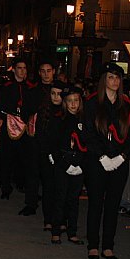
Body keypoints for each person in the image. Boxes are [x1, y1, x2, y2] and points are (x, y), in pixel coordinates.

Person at [83, 62, 130, 259]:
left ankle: (108, 245)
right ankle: (92, 244)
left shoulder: (128, 106)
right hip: (97, 161)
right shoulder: (91, 103)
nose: (114, 81)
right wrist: (102, 157)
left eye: (117, 78)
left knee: (112, 205)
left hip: (119, 162)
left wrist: (122, 157)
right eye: (111, 77)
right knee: (96, 203)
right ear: (104, 80)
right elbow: (88, 134)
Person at [49, 85, 86, 245]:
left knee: (73, 199)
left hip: (79, 163)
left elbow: (88, 143)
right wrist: (64, 164)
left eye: (76, 101)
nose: (73, 104)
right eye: (69, 101)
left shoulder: (85, 121)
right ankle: (56, 230)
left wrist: (81, 164)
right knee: (60, 197)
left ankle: (72, 232)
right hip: (62, 163)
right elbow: (54, 145)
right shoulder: (58, 120)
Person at [20, 58, 56, 217]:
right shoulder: (33, 91)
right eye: (43, 71)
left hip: (54, 138)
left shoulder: (60, 90)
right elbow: (25, 112)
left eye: (49, 71)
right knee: (32, 171)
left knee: (51, 174)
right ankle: (31, 203)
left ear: (54, 72)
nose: (46, 74)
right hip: (35, 137)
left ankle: (51, 206)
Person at [0, 57, 34, 199]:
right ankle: (6, 187)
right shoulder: (6, 87)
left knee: (24, 158)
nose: (22, 71)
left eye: (24, 68)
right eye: (19, 68)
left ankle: (21, 182)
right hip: (8, 126)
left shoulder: (30, 87)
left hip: (24, 128)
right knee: (6, 158)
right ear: (14, 69)